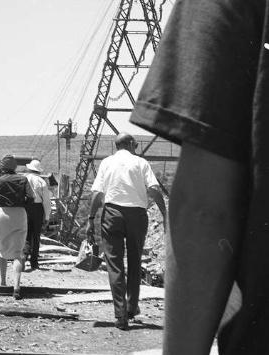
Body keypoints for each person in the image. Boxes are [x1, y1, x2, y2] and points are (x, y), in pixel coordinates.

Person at [128, 1, 266, 353]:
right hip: (136, 216)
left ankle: (124, 312)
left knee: (118, 261)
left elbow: (205, 209)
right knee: (128, 264)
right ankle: (128, 307)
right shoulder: (139, 166)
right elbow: (159, 193)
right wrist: (156, 211)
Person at [84, 133, 166, 330]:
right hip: (137, 215)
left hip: (112, 214)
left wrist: (91, 219)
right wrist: (164, 213)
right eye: (136, 144)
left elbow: (97, 193)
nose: (136, 147)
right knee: (135, 260)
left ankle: (120, 315)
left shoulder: (106, 163)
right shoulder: (140, 163)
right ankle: (132, 306)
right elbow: (154, 189)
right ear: (130, 144)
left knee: (114, 263)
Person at [0, 155, 34, 300]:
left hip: (3, 213)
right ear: (15, 167)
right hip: (19, 214)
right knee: (18, 252)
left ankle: (3, 282)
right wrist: (23, 204)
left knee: (2, 247)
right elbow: (31, 197)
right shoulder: (23, 179)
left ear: (2, 168)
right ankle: (16, 287)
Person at [24, 159, 52, 270]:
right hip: (37, 208)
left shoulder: (24, 179)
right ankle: (34, 262)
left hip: (25, 208)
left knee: (25, 233)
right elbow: (46, 201)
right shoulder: (41, 182)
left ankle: (23, 254)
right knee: (35, 236)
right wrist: (47, 216)